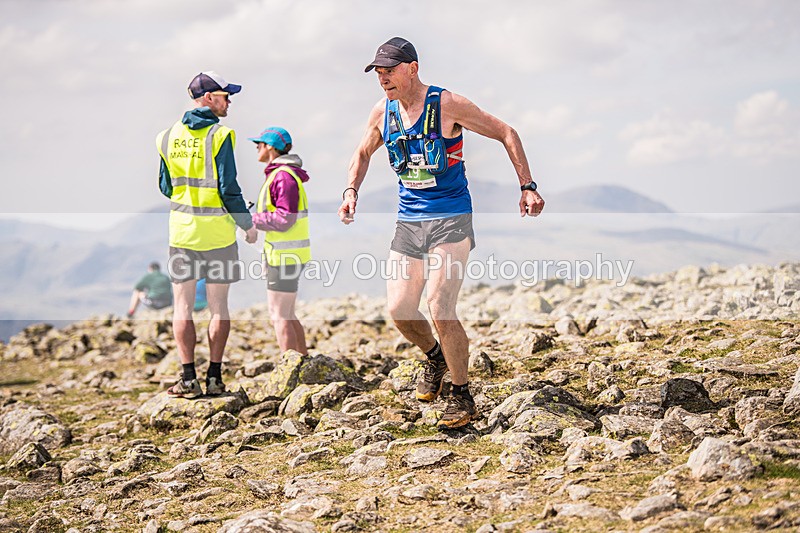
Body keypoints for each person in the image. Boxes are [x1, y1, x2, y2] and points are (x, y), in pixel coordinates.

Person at [338, 38, 545, 429]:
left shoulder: (445, 104)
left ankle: (462, 395)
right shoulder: (383, 112)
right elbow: (363, 153)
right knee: (399, 311)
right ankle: (435, 358)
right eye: (378, 73)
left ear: (412, 68)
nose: (383, 79)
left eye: (389, 71)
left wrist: (527, 185)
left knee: (439, 305)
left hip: (451, 218)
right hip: (409, 221)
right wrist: (351, 191)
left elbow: (506, 132)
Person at [156, 71, 258, 399]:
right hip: (218, 237)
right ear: (209, 98)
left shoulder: (166, 137)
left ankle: (188, 378)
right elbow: (229, 188)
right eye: (225, 96)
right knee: (219, 309)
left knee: (182, 309)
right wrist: (247, 224)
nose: (229, 101)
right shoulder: (221, 135)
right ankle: (214, 376)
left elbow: (165, 186)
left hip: (183, 235)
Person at [250, 127, 310, 355]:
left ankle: (290, 369)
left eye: (260, 143)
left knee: (279, 315)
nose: (257, 147)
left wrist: (254, 219)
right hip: (288, 255)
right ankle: (303, 363)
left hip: (285, 257)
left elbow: (285, 218)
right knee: (287, 313)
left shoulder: (283, 177)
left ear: (271, 147)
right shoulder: (283, 175)